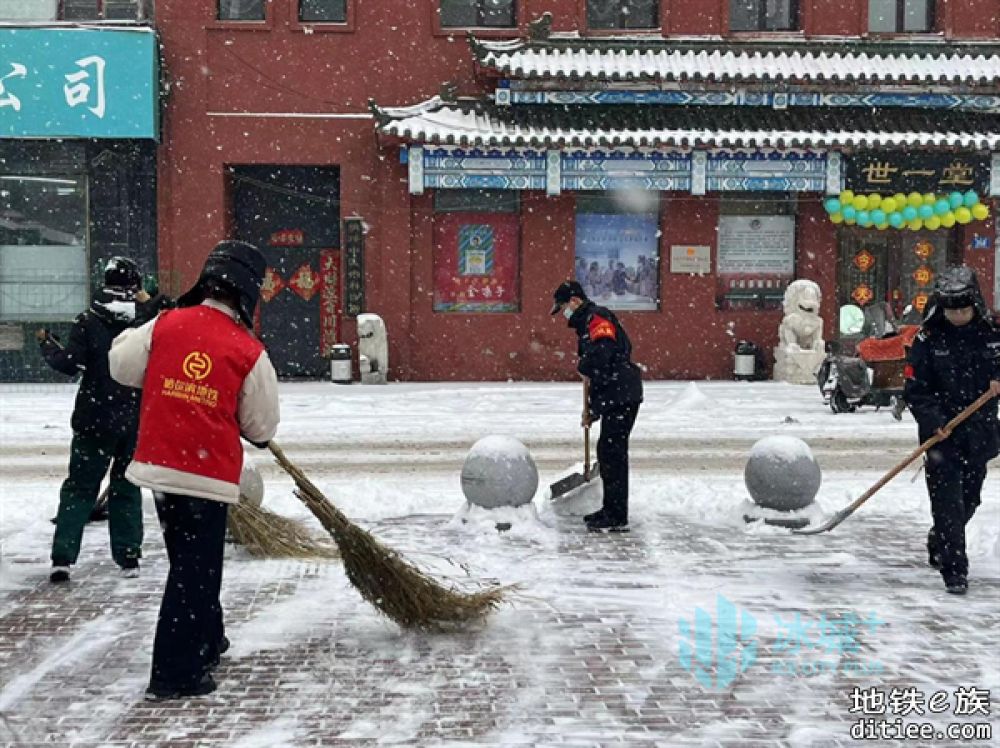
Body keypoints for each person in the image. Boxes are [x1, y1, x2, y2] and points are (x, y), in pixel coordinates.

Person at [110, 240, 280, 700]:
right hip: (206, 477)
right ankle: (174, 673)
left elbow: (121, 365)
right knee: (194, 571)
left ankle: (209, 639)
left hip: (161, 468)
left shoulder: (164, 325)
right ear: (248, 293)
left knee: (191, 564)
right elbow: (260, 424)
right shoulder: (247, 350)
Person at [38, 257, 147, 583]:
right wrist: (148, 300)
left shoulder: (87, 320)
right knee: (127, 487)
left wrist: (47, 345)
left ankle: (63, 557)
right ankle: (128, 557)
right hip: (133, 418)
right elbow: (171, 311)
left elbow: (69, 363)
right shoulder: (145, 322)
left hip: (93, 419)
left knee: (80, 488)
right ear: (135, 287)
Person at [904, 266, 1000, 595]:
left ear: (975, 305)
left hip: (980, 432)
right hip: (941, 435)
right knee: (948, 504)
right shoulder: (929, 339)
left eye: (963, 310)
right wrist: (933, 422)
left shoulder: (992, 335)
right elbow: (916, 389)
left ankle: (940, 539)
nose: (958, 316)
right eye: (951, 311)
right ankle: (954, 569)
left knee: (969, 499)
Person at [551, 280, 643, 532]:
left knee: (613, 454)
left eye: (563, 307)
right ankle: (611, 510)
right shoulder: (585, 323)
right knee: (608, 453)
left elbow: (605, 353)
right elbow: (601, 371)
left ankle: (616, 515)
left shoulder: (597, 317)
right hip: (616, 393)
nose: (564, 314)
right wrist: (592, 409)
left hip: (622, 392)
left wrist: (584, 365)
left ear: (575, 301)